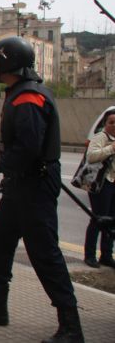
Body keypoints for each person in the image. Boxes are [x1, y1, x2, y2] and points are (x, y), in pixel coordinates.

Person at [0, 36, 84, 342]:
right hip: (20, 183)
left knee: (44, 253)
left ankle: (71, 324)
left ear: (9, 63)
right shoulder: (18, 93)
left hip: (34, 184)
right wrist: (6, 173)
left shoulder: (29, 97)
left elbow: (29, 147)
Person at [83, 109, 115, 268]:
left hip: (113, 182)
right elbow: (91, 156)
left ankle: (107, 255)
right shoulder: (100, 137)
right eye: (111, 122)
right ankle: (89, 255)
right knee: (98, 218)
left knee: (111, 220)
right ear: (105, 124)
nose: (114, 125)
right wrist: (111, 148)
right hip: (101, 184)